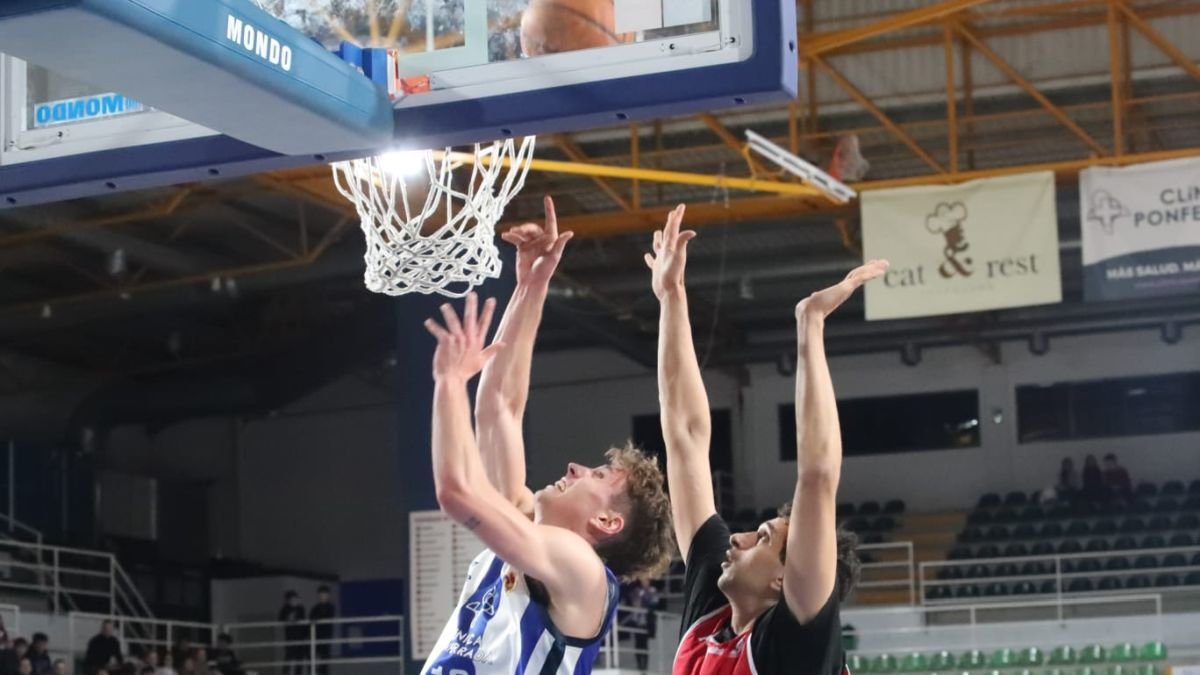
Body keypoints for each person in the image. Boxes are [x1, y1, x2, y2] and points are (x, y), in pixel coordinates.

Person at [420, 197, 674, 675]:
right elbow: (498, 408)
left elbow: (457, 493)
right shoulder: (527, 533)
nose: (575, 468)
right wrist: (532, 284)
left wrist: (449, 383)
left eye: (597, 475)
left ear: (607, 521)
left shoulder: (581, 570)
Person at [648, 205, 868, 675]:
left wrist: (810, 325)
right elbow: (685, 437)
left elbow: (818, 476)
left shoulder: (796, 643)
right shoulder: (710, 616)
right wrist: (671, 297)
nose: (738, 537)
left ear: (784, 580)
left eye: (762, 539)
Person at [622, 578, 660, 672]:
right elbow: (634, 602)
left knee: (645, 644)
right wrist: (639, 601)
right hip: (637, 621)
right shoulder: (637, 591)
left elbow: (654, 602)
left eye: (646, 580)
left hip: (646, 622)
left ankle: (645, 666)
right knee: (638, 644)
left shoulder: (652, 590)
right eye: (643, 580)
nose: (644, 582)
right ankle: (640, 665)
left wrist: (644, 598)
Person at [308, 586, 336, 675]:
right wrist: (315, 619)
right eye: (321, 594)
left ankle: (323, 672)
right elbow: (311, 617)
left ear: (328, 595)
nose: (322, 596)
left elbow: (329, 616)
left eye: (324, 594)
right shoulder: (315, 607)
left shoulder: (331, 607)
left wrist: (317, 618)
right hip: (316, 635)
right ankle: (313, 672)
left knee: (325, 657)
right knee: (312, 655)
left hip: (326, 635)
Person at [278, 591, 306, 675]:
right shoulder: (285, 608)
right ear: (288, 600)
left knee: (299, 659)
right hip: (290, 637)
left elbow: (303, 620)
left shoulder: (300, 608)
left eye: (295, 598)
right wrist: (288, 618)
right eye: (292, 599)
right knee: (288, 657)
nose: (294, 601)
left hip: (300, 637)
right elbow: (280, 619)